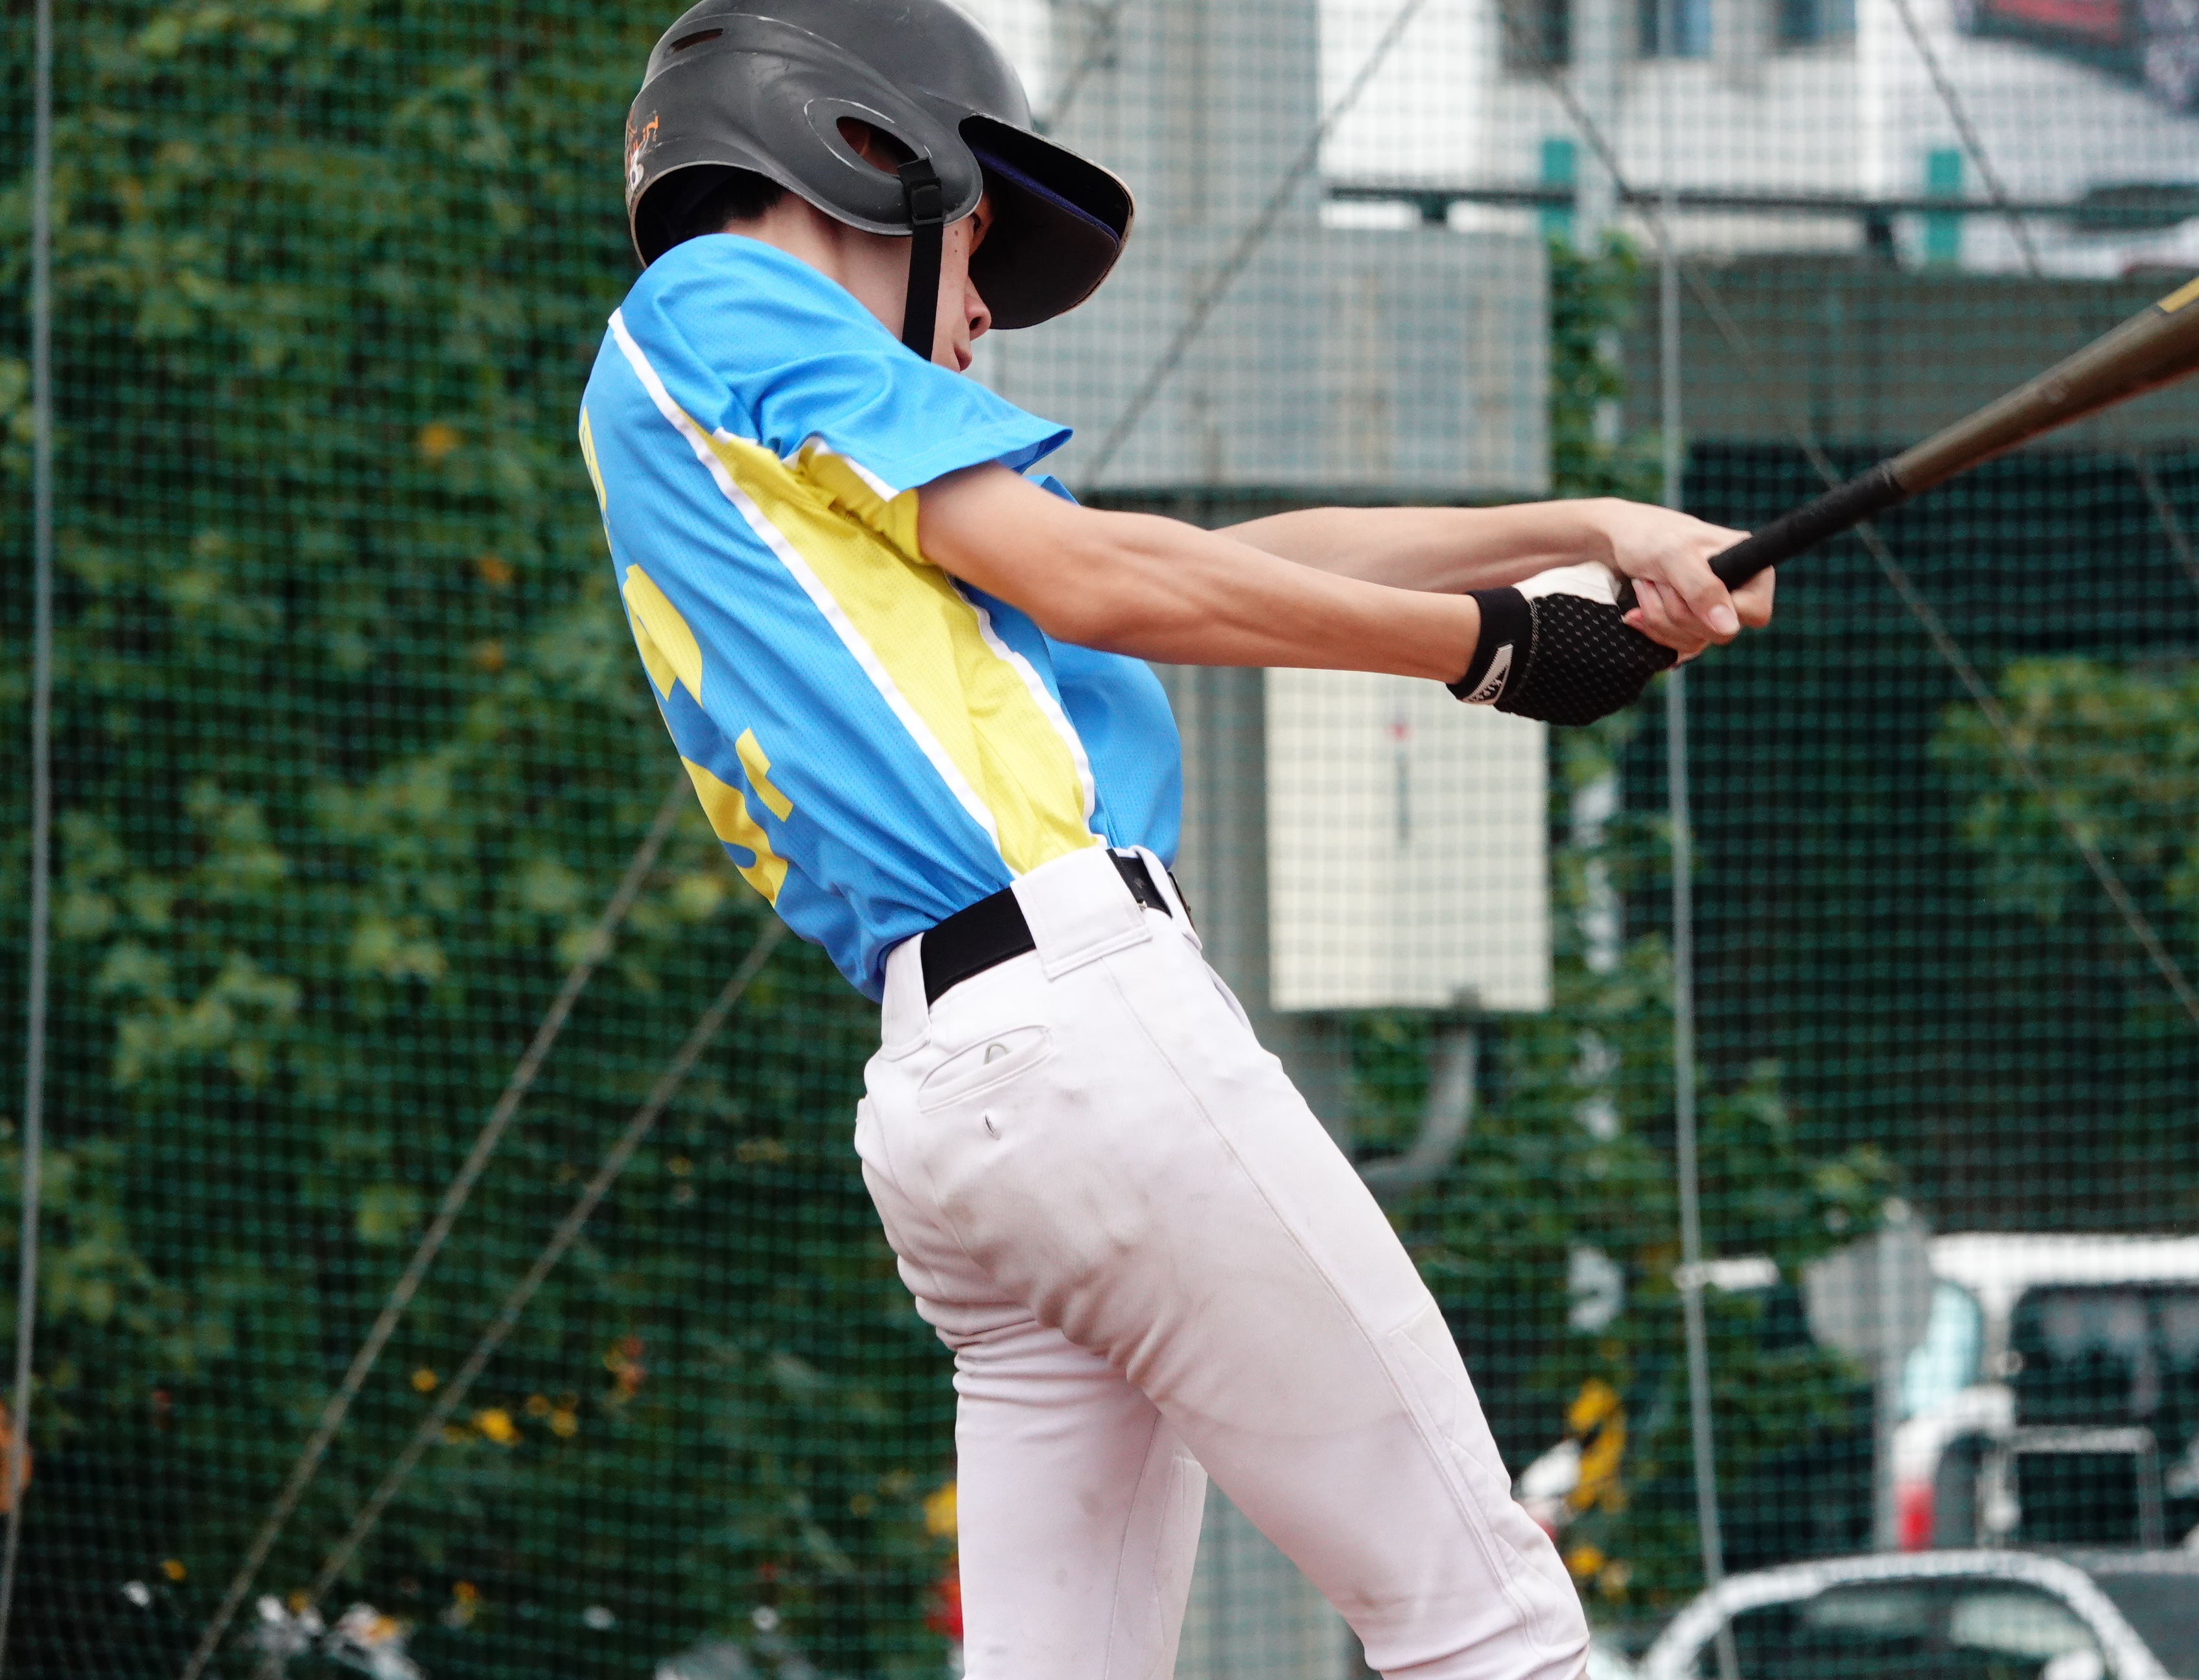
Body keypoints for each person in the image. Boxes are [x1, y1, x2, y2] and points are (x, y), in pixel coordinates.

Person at [578, 3, 1774, 1674]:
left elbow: (1213, 562)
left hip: (968, 1098)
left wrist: (1584, 529)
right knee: (1488, 1624)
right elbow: (1110, 580)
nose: (979, 316)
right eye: (978, 246)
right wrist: (1495, 648)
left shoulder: (793, 448)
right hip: (1081, 1030)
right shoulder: (724, 298)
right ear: (860, 154)